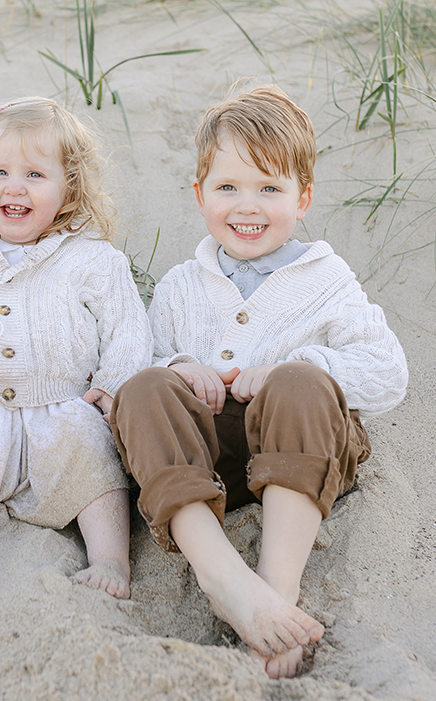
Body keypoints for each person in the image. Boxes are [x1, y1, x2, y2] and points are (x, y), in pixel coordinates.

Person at [109, 85, 407, 677]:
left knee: (300, 379)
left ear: (304, 198)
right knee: (142, 389)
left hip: (301, 450)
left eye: (270, 189)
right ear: (200, 196)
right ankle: (221, 575)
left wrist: (295, 365)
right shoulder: (179, 286)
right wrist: (178, 367)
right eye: (228, 188)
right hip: (209, 464)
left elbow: (388, 375)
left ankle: (275, 587)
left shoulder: (325, 280)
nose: (248, 206)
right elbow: (133, 368)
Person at [0, 97, 150, 600]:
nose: (14, 187)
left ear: (69, 189)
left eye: (35, 174)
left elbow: (129, 332)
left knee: (91, 442)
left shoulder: (95, 260)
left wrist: (110, 386)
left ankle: (109, 557)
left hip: (65, 409)